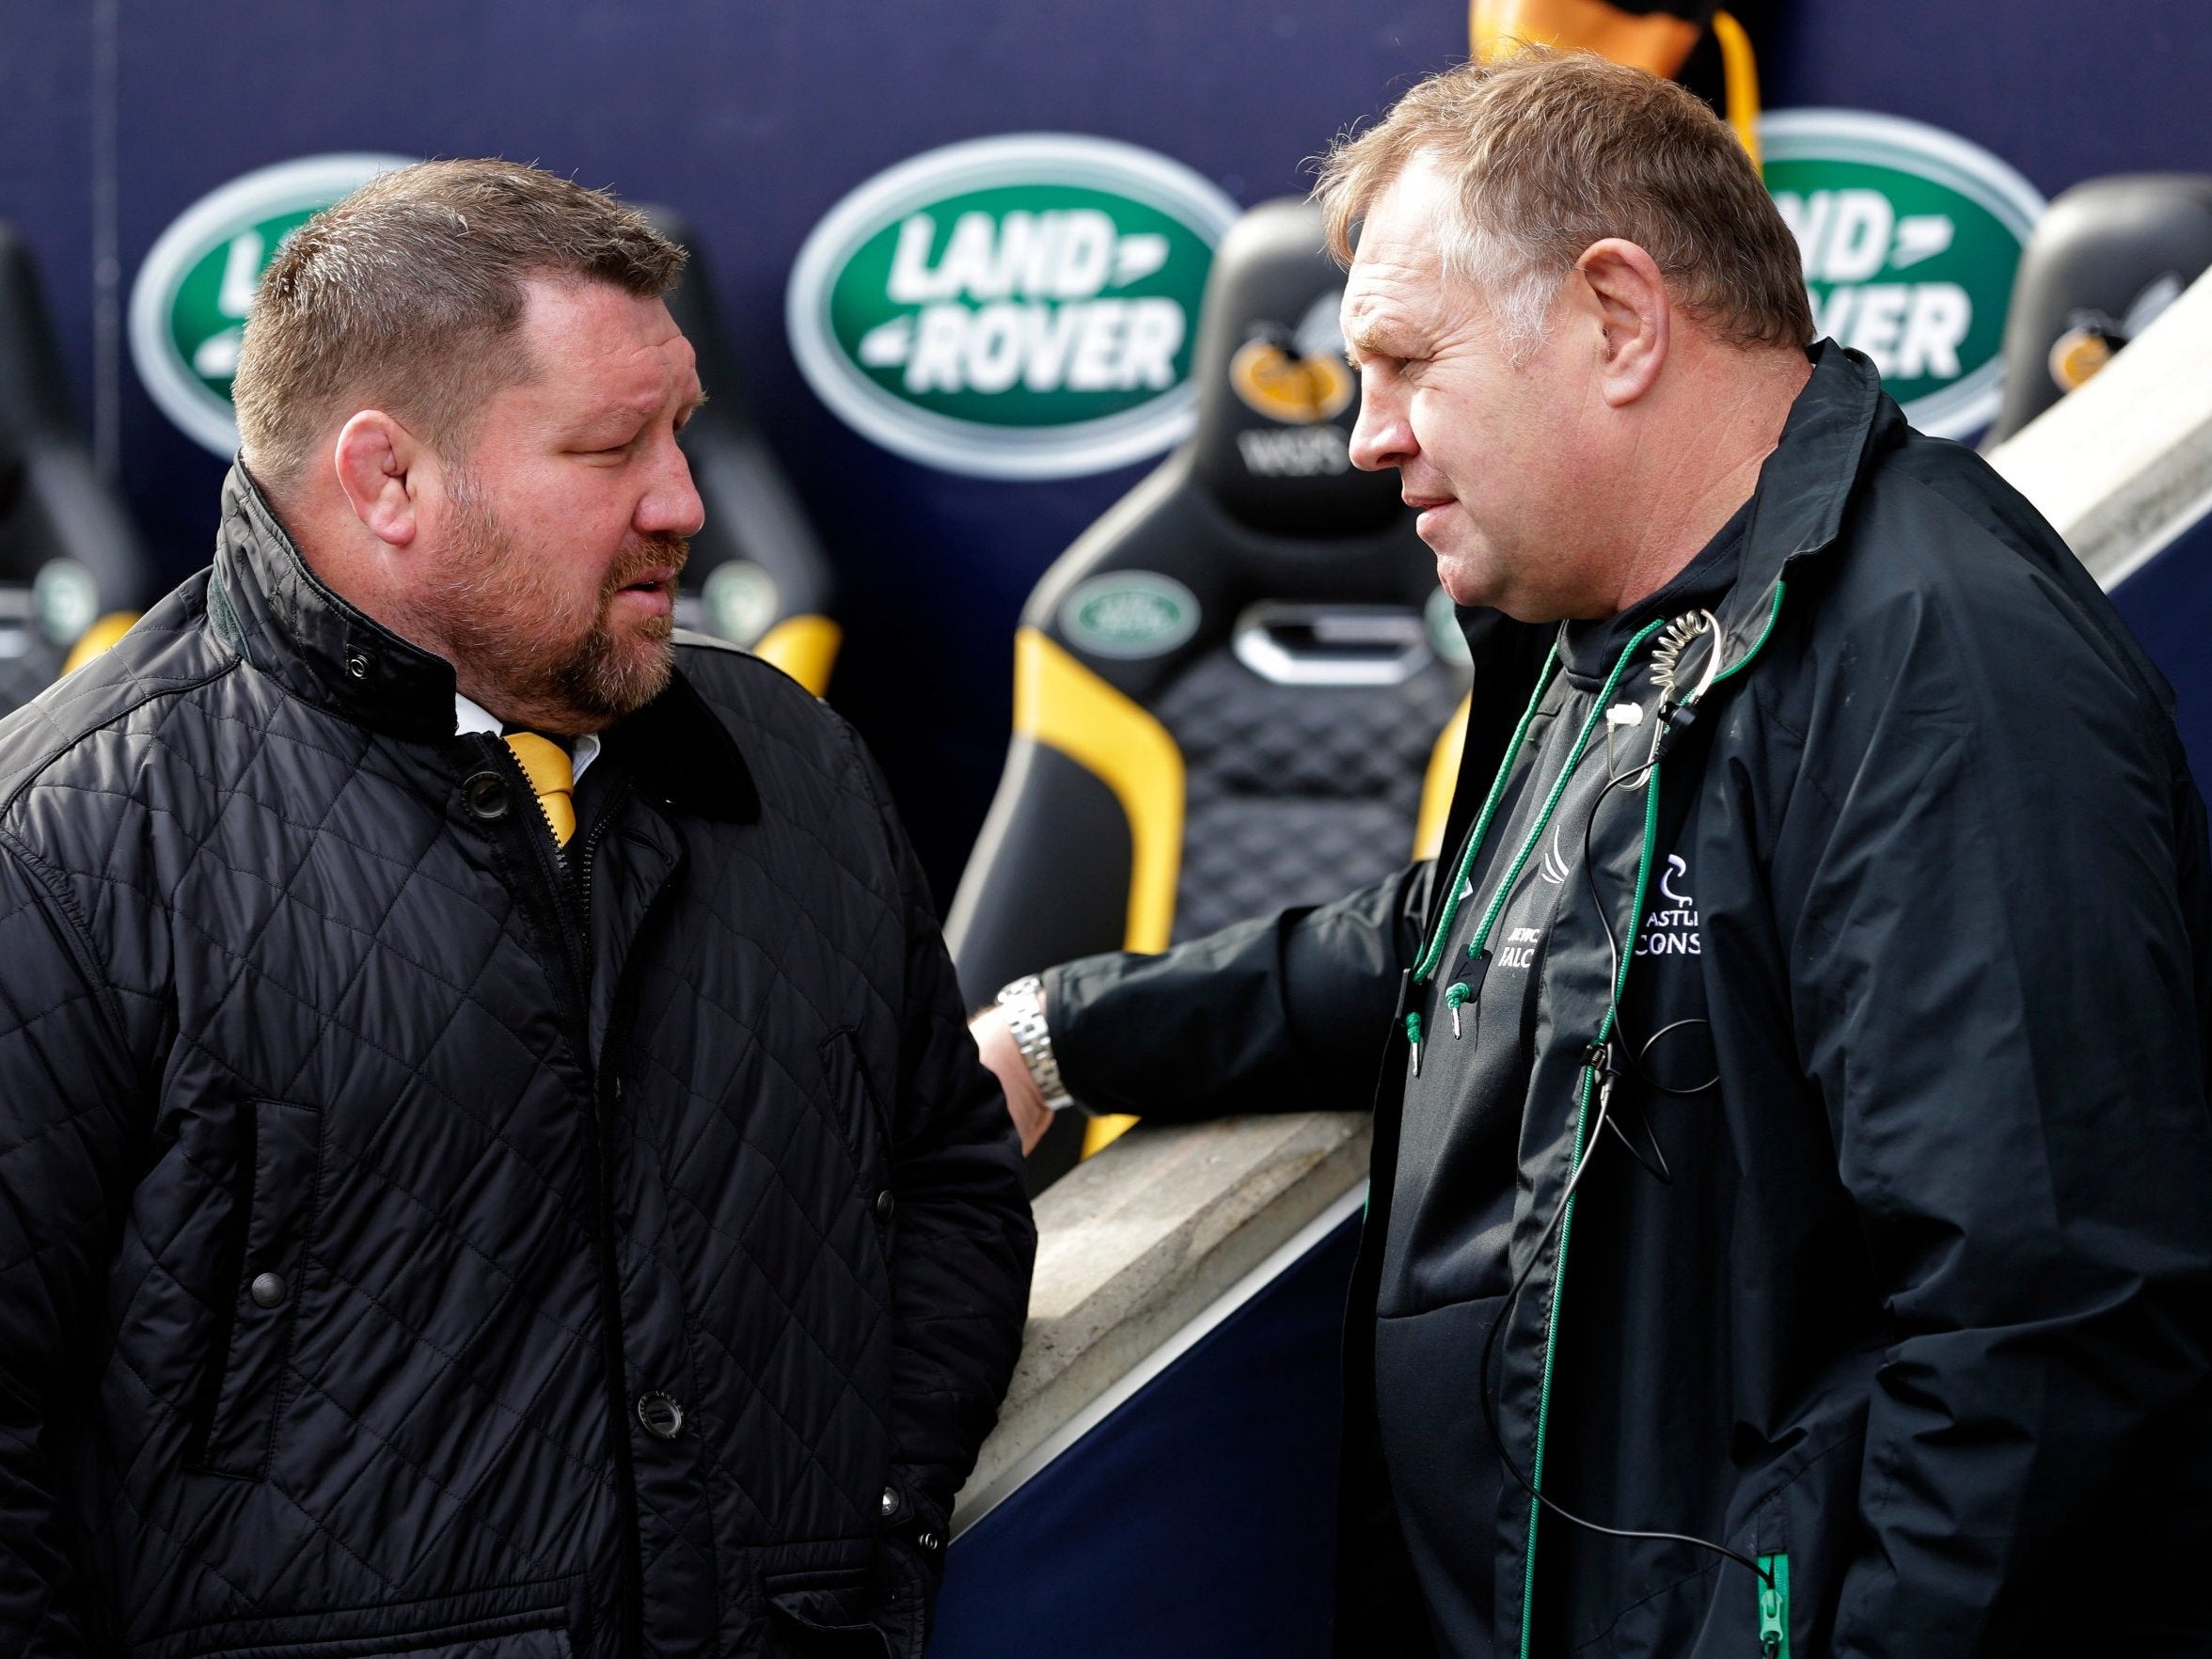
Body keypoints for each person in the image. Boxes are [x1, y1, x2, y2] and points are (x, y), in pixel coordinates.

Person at [973, 48, 2212, 1658]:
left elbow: (2047, 1331)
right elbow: (1500, 935)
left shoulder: (1939, 661)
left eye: (1406, 361)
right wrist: (1065, 1031)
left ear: (1620, 320)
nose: (1364, 436)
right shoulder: (1626, 631)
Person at [0, 160, 1034, 1656]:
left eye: (681, 429)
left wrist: (860, 1549)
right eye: (612, 447)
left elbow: (942, 1179)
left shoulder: (791, 756)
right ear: (387, 479)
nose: (686, 502)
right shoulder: (68, 840)